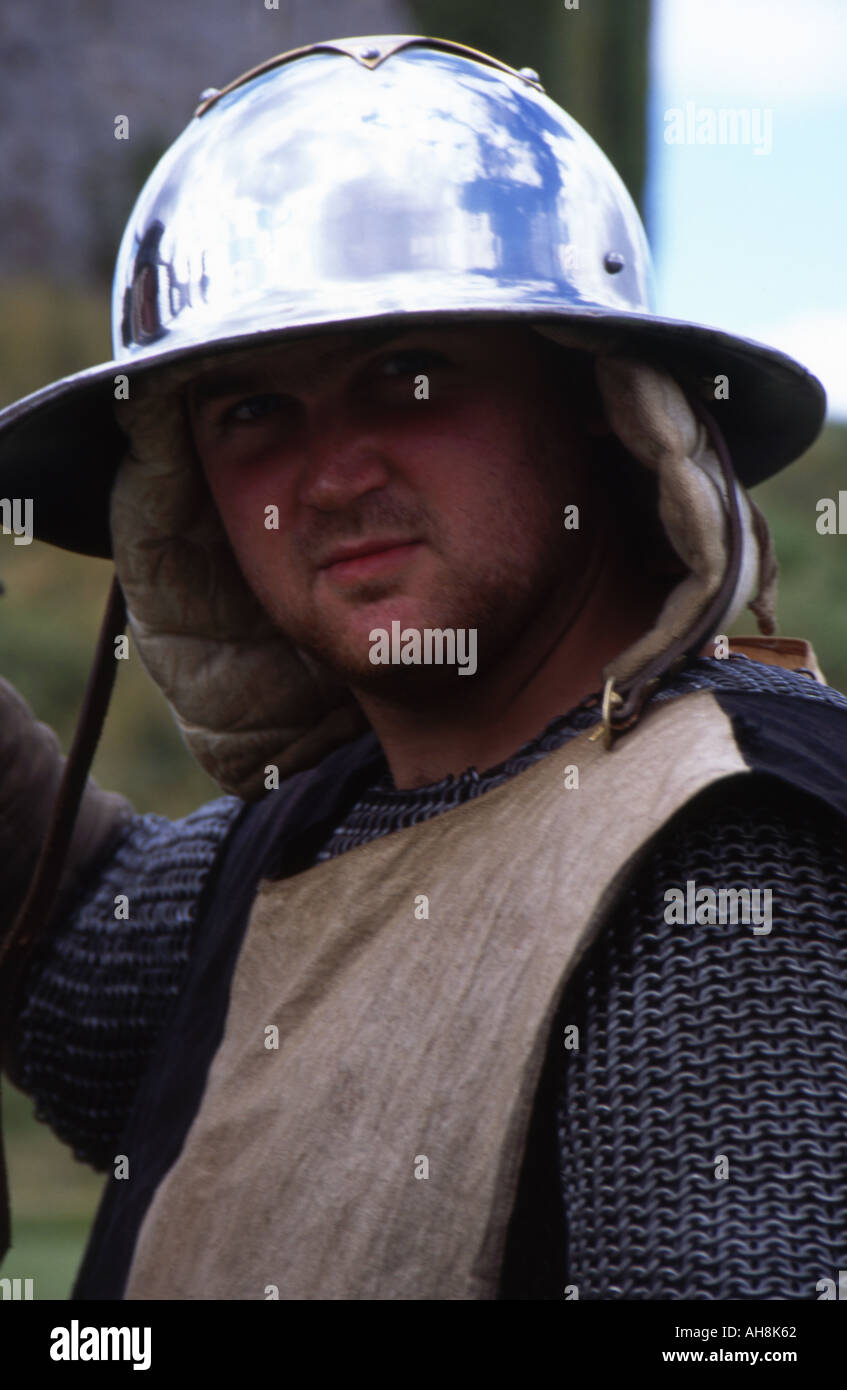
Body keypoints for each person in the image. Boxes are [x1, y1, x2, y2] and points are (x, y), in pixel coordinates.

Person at [1, 34, 846, 1302]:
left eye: (409, 375)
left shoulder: (728, 859)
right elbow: (72, 926)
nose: (332, 476)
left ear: (601, 410)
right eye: (249, 410)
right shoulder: (287, 852)